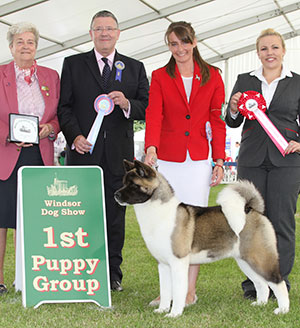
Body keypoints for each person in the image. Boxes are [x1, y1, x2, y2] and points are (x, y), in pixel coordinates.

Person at [57, 10, 149, 292]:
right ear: (91, 34)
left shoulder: (134, 67)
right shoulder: (72, 64)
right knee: (80, 213)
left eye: (109, 28)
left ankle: (112, 274)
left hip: (118, 159)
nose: (105, 33)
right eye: (99, 29)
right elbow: (64, 107)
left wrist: (126, 104)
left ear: (118, 33)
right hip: (83, 154)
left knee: (114, 217)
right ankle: (80, 269)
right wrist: (75, 136)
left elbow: (146, 106)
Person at [144, 21, 226, 306]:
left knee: (194, 228)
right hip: (168, 158)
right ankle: (167, 291)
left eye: (184, 42)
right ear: (168, 46)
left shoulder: (213, 75)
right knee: (168, 226)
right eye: (173, 44)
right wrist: (151, 147)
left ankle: (189, 291)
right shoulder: (159, 76)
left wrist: (218, 159)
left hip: (198, 161)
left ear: (194, 41)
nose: (179, 49)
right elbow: (154, 113)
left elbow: (217, 120)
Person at [225, 28, 300, 300]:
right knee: (250, 225)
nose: (270, 53)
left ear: (283, 51)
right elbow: (232, 121)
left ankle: (280, 283)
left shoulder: (297, 82)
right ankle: (253, 285)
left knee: (282, 223)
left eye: (275, 47)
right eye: (264, 48)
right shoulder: (244, 80)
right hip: (252, 160)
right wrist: (233, 108)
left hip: (287, 162)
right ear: (257, 53)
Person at [0, 22, 60, 294]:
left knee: (35, 217)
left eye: (30, 42)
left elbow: (59, 115)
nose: (25, 46)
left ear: (37, 46)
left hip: (39, 155)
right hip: (6, 155)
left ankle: (29, 277)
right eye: (20, 42)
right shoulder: (0, 75)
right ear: (11, 47)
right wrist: (8, 135)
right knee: (2, 218)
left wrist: (51, 128)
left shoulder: (50, 76)